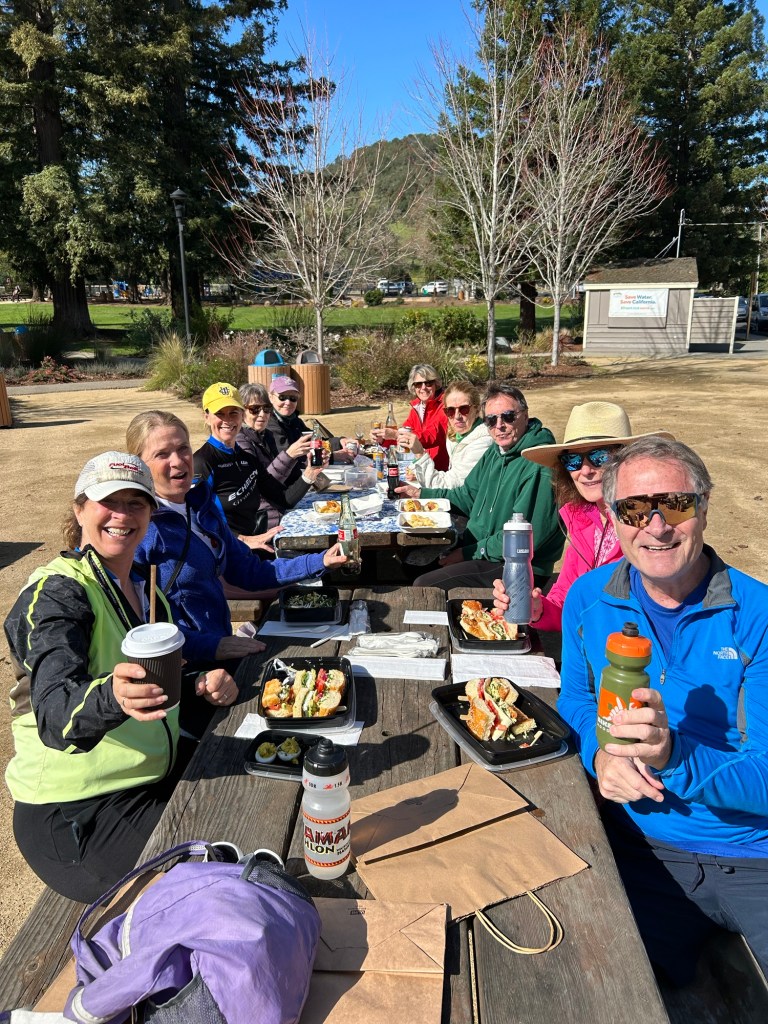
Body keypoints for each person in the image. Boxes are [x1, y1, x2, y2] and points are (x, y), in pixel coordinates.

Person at [558, 436, 768, 986]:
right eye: (633, 509)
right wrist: (599, 756)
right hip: (640, 849)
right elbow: (576, 701)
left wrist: (674, 756)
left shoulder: (759, 615)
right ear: (613, 516)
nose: (655, 527)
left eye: (675, 505)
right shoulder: (588, 599)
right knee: (587, 984)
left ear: (704, 507)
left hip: (754, 854)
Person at [3, 452, 235, 901]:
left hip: (148, 775)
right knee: (217, 887)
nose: (122, 515)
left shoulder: (150, 595)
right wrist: (113, 695)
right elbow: (55, 713)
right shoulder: (56, 592)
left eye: (136, 503)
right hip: (77, 811)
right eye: (108, 501)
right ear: (79, 509)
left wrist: (197, 686)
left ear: (150, 513)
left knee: (256, 788)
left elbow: (151, 688)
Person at [126, 411, 346, 728]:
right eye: (162, 454)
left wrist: (320, 561)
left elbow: (248, 571)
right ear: (140, 465)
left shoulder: (199, 505)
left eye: (183, 448)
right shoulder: (142, 531)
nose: (178, 461)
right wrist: (213, 647)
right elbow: (142, 627)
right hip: (188, 674)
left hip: (222, 652)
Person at [492, 402, 673, 630]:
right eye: (573, 461)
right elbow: (565, 601)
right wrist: (537, 609)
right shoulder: (583, 521)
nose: (585, 471)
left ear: (627, 460)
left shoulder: (652, 528)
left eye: (600, 457)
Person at [400, 382, 563, 591]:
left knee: (425, 585)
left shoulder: (538, 464)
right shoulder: (497, 452)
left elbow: (524, 539)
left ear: (525, 415)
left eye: (508, 416)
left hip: (518, 565)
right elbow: (468, 496)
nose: (499, 425)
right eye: (491, 420)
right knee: (410, 563)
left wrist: (467, 553)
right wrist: (421, 494)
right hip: (481, 546)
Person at [194, 381, 324, 541]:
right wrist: (243, 540)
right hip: (228, 548)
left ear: (241, 415)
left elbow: (284, 499)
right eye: (220, 413)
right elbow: (195, 520)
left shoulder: (247, 458)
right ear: (207, 417)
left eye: (233, 412)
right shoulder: (202, 461)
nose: (227, 420)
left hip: (257, 540)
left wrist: (312, 471)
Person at [397, 379, 492, 489]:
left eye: (464, 409)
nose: (457, 416)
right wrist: (418, 470)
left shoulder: (482, 442)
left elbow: (450, 485)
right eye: (450, 411)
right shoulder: (455, 434)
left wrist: (419, 454)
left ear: (477, 410)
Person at [265, 375, 351, 479]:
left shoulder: (294, 420)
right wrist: (333, 456)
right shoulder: (268, 424)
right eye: (282, 397)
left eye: (293, 398)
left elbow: (314, 441)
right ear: (271, 397)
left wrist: (340, 441)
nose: (288, 402)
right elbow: (289, 458)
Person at [372, 364, 449, 470]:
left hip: (442, 469)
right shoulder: (417, 407)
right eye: (418, 384)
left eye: (428, 383)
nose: (423, 387)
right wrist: (383, 439)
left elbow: (433, 435)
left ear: (436, 383)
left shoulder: (446, 404)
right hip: (422, 465)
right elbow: (404, 434)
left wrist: (396, 434)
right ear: (413, 387)